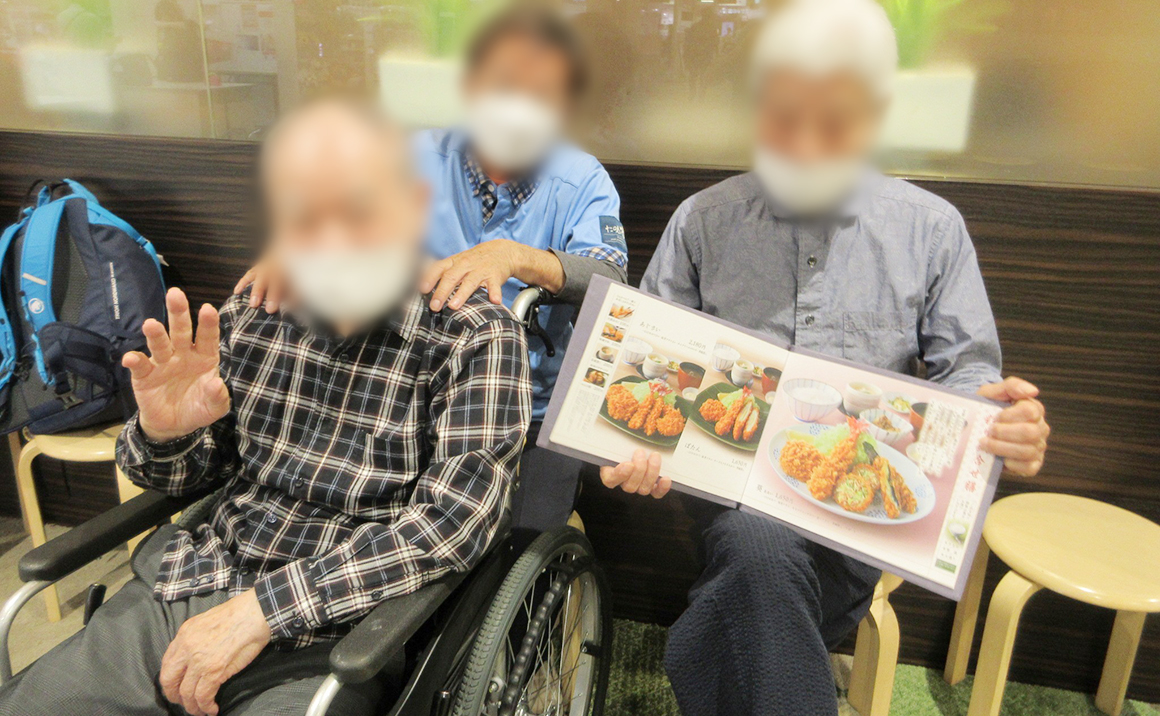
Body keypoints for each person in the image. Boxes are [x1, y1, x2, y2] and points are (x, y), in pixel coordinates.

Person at [0, 98, 531, 716]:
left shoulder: (474, 337)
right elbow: (188, 477)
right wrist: (165, 433)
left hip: (347, 624)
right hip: (197, 579)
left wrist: (264, 610)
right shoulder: (255, 313)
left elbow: (454, 522)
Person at [597, 1, 1053, 714]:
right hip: (731, 502)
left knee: (751, 576)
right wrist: (633, 446)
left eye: (832, 122)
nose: (806, 144)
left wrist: (1000, 425)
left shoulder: (931, 230)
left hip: (862, 522)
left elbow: (969, 372)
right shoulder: (703, 222)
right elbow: (653, 363)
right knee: (755, 545)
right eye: (784, 118)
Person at [238, 5, 627, 532]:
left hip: (530, 411)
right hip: (402, 397)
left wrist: (517, 256)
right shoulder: (411, 155)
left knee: (513, 542)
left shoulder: (582, 179)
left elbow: (611, 281)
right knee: (376, 522)